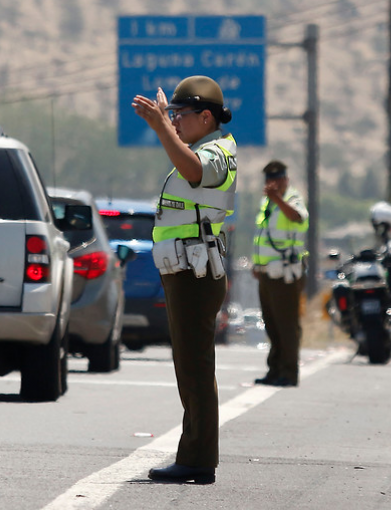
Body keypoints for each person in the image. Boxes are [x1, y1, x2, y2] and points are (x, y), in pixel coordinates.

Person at [131, 75, 236, 485]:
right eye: (170, 114)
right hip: (186, 270)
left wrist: (159, 127)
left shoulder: (216, 152)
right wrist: (166, 127)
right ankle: (195, 454)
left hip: (195, 273)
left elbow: (192, 171)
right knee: (190, 365)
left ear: (206, 117)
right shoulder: (205, 147)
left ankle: (197, 458)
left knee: (194, 366)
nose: (174, 121)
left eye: (181, 114)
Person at [252, 160, 309, 387]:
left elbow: (298, 217)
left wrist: (277, 198)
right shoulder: (267, 203)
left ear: (285, 179)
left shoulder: (292, 199)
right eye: (268, 180)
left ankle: (289, 372)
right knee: (271, 325)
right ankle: (274, 369)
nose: (272, 184)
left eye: (276, 178)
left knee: (287, 325)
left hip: (285, 274)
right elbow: (262, 236)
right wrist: (256, 264)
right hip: (266, 273)